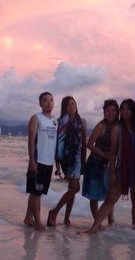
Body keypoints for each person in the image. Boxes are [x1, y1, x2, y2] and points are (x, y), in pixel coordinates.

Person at [81, 99, 135, 234]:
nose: (125, 111)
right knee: (110, 199)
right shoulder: (117, 128)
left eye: (128, 109)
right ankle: (94, 227)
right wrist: (112, 173)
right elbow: (113, 153)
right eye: (123, 109)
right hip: (121, 168)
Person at [47, 96, 87, 227]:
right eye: (68, 105)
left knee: (72, 188)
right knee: (75, 188)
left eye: (73, 103)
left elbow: (84, 143)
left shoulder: (82, 121)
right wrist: (57, 164)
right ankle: (55, 211)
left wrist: (83, 162)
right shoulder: (60, 122)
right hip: (65, 159)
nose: (71, 106)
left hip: (77, 159)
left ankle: (66, 218)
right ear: (64, 108)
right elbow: (57, 143)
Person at [23, 92, 58, 232]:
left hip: (49, 163)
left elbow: (54, 143)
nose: (49, 103)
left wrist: (57, 163)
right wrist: (32, 161)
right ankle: (38, 222)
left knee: (36, 192)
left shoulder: (55, 120)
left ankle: (28, 218)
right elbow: (31, 140)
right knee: (36, 192)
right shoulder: (36, 118)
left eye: (51, 100)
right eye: (45, 100)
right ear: (40, 104)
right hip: (38, 161)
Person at [81, 99, 119, 225]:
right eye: (108, 111)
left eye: (113, 110)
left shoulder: (118, 126)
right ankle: (97, 222)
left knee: (110, 195)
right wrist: (104, 155)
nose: (111, 113)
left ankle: (111, 221)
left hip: (109, 165)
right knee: (94, 195)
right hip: (95, 163)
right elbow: (89, 144)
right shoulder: (100, 126)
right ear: (104, 112)